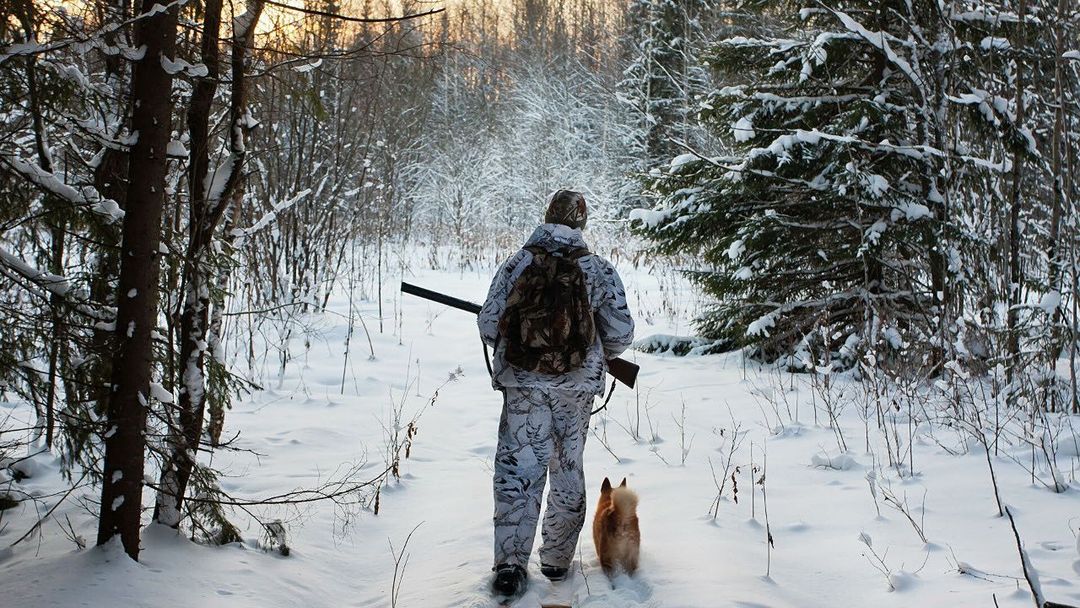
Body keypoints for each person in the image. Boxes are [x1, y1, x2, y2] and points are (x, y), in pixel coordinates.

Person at [477, 189, 635, 597]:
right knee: (566, 469)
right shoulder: (598, 270)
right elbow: (621, 332)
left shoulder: (517, 264)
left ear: (547, 216)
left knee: (517, 472)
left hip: (523, 388)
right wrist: (590, 355)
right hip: (575, 391)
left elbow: (488, 324)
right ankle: (557, 561)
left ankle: (510, 567)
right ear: (581, 224)